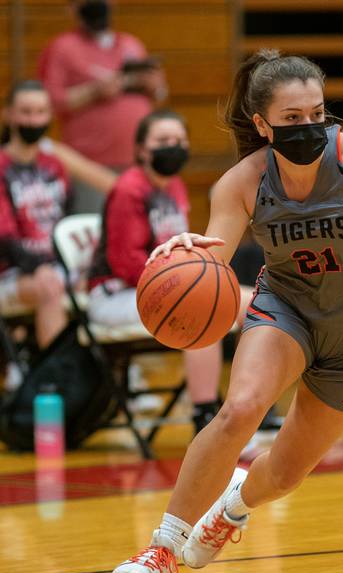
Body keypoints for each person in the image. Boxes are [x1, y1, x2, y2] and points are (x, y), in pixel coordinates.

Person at [110, 49, 343, 573]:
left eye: (317, 113)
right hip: (289, 311)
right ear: (262, 124)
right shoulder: (242, 182)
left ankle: (232, 507)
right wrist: (189, 256)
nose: (309, 127)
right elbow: (216, 257)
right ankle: (161, 549)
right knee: (241, 407)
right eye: (293, 119)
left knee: (284, 474)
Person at [86, 109, 233, 436]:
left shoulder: (175, 186)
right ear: (141, 150)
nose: (174, 146)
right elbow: (125, 263)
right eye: (163, 141)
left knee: (250, 304)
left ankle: (248, 410)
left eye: (180, 141)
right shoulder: (129, 189)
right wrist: (181, 283)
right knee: (200, 314)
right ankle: (206, 421)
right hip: (115, 294)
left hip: (156, 286)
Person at [38, 0, 167, 212]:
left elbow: (159, 96)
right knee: (93, 231)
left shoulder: (131, 44)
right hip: (89, 166)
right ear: (72, 8)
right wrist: (94, 91)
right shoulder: (62, 47)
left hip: (139, 163)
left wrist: (157, 88)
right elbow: (50, 102)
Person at [0, 81, 71, 350]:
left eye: (41, 112)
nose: (34, 119)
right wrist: (39, 266)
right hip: (11, 272)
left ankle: (116, 374)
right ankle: (52, 383)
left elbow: (67, 222)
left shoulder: (55, 165)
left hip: (53, 266)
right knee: (49, 288)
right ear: (9, 114)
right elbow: (4, 237)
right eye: (26, 112)